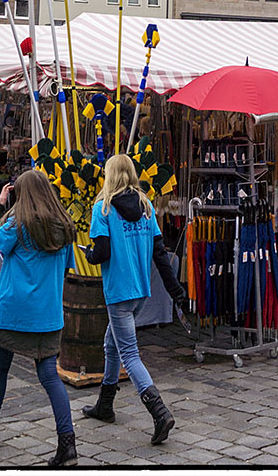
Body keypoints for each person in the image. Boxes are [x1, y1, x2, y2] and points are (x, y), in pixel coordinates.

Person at [0, 171, 79, 466]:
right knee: (49, 376)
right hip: (48, 314)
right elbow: (67, 268)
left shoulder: (18, 224)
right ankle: (67, 444)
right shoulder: (66, 227)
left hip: (13, 310)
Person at [81, 154, 185, 445]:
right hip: (140, 290)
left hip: (118, 292)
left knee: (129, 353)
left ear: (109, 174)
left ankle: (159, 411)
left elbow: (101, 252)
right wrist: (175, 290)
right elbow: (160, 254)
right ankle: (105, 405)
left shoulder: (102, 208)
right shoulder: (147, 206)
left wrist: (89, 255)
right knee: (111, 343)